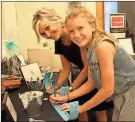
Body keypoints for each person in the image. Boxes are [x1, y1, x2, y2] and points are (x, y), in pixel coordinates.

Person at [50, 6, 135, 121]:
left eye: (80, 28)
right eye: (71, 31)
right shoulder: (88, 48)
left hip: (130, 94)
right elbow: (91, 82)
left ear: (93, 26)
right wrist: (67, 97)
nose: (76, 35)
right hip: (120, 95)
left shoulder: (102, 46)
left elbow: (107, 89)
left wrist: (80, 108)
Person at [32, 7, 114, 121]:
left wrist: (71, 88)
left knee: (99, 112)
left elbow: (87, 68)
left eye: (47, 28)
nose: (47, 34)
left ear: (55, 20)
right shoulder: (59, 42)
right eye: (43, 34)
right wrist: (57, 86)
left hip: (96, 74)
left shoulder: (79, 38)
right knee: (78, 109)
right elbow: (66, 68)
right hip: (84, 77)